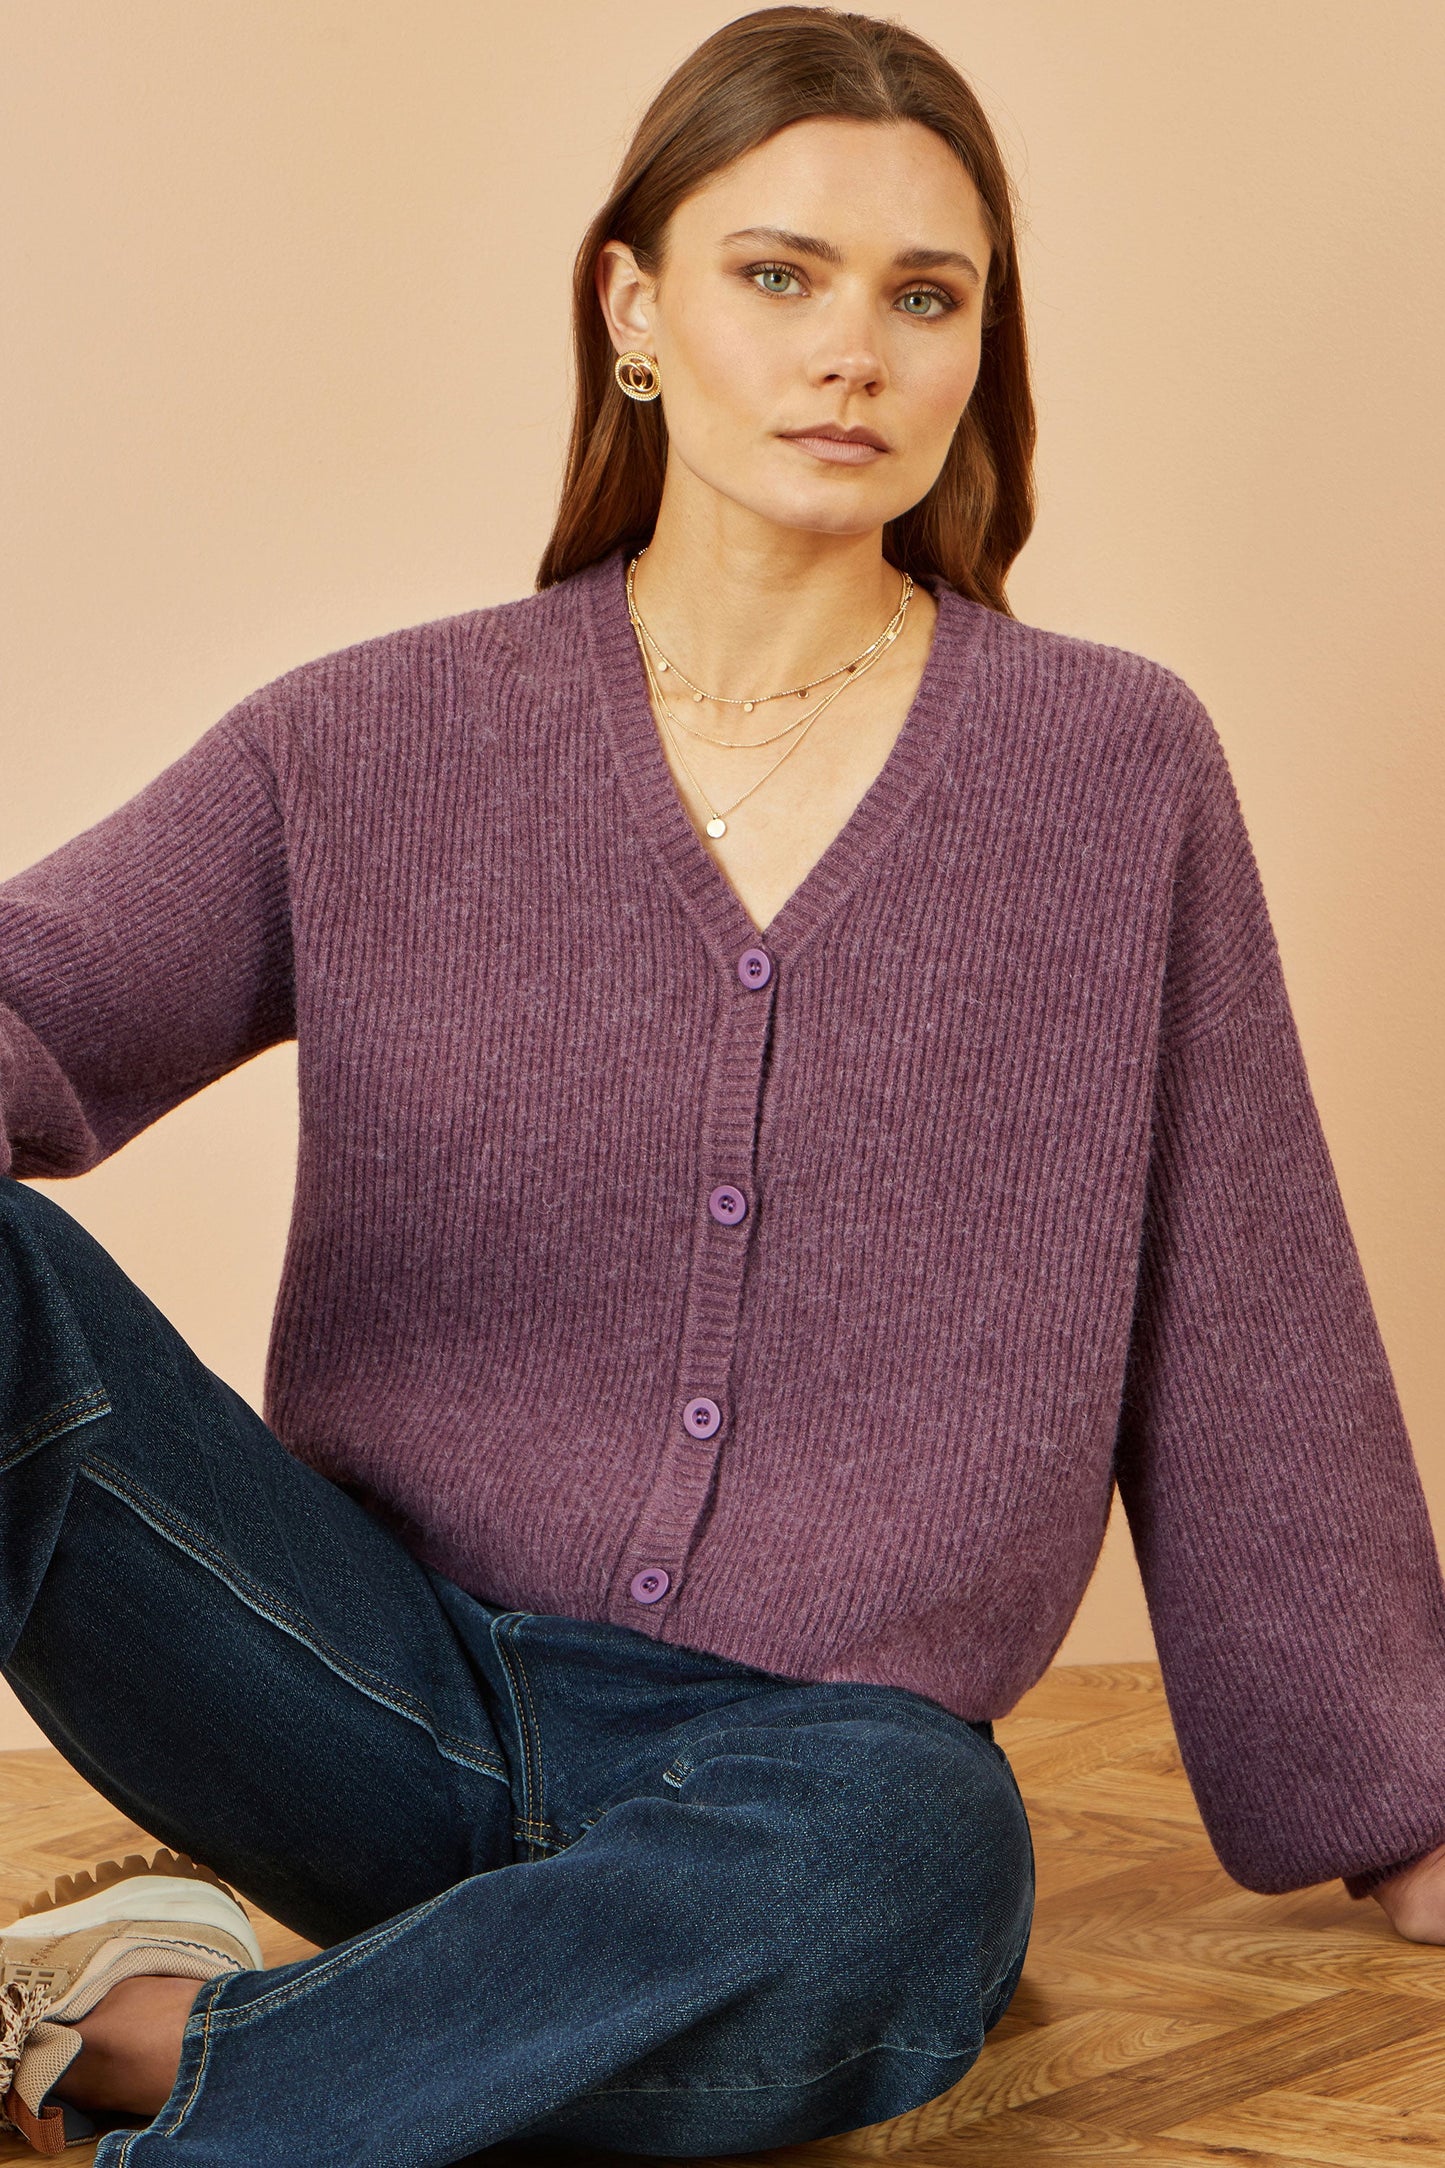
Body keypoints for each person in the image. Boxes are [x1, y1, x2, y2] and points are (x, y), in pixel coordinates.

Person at [1, 4, 1442, 2160]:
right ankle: (402, 2044)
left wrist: (1402, 1795)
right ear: (635, 307)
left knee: (919, 1852)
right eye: (780, 273)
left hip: (811, 1777)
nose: (851, 351)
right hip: (345, 1685)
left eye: (922, 296)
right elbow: (37, 999)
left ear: (976, 354)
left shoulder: (1111, 772)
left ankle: (148, 2068)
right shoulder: (371, 742)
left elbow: (1245, 1305)